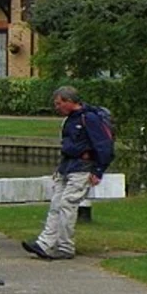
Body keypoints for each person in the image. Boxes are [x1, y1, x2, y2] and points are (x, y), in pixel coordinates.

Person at [23, 85, 114, 261]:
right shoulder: (69, 120)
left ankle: (65, 246)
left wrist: (98, 170)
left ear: (69, 101)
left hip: (82, 167)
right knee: (56, 204)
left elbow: (104, 145)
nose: (57, 107)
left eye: (59, 104)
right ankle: (45, 243)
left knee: (67, 205)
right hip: (68, 166)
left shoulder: (89, 119)